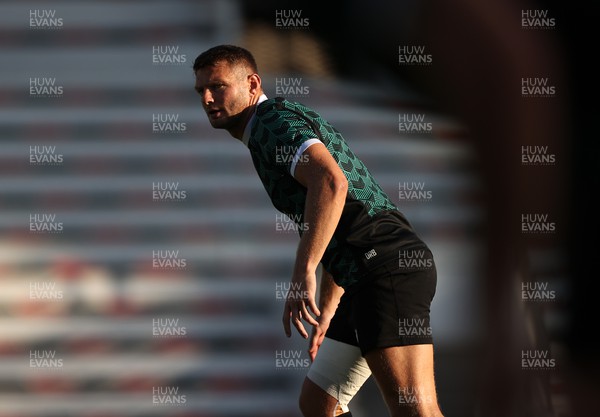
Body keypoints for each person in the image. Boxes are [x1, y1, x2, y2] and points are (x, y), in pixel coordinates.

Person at [193, 44, 444, 417]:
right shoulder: (268, 126)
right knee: (319, 404)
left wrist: (302, 273)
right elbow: (333, 222)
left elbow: (331, 183)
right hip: (364, 274)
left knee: (416, 411)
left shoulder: (269, 122)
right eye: (201, 91)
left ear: (252, 83)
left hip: (386, 268)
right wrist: (329, 308)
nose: (208, 98)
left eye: (218, 86)